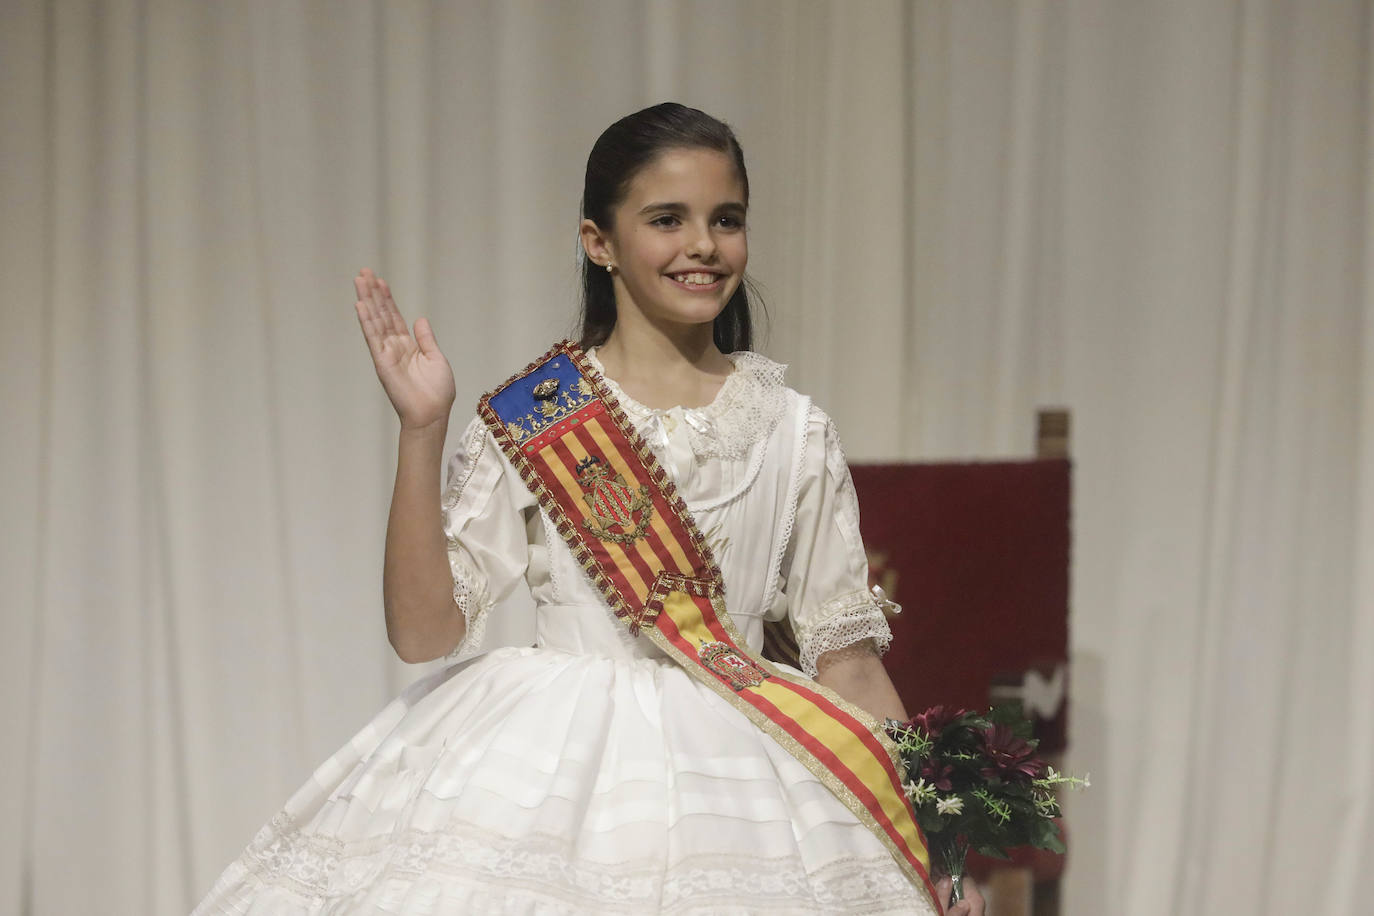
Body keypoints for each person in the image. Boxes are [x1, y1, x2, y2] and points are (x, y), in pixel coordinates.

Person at [193, 103, 984, 915]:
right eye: (667, 219)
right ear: (597, 241)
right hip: (551, 776)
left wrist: (938, 844)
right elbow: (423, 632)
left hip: (750, 781)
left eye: (727, 219)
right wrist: (422, 431)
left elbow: (847, 665)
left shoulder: (794, 431)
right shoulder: (538, 413)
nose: (703, 245)